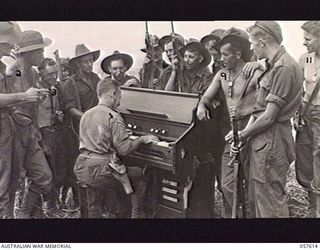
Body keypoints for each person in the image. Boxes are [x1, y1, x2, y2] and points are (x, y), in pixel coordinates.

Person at [225, 21, 303, 218]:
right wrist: (242, 138)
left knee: (270, 205)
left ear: (262, 41)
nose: (250, 48)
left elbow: (269, 117)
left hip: (272, 141)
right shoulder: (272, 65)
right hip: (263, 141)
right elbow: (259, 110)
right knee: (258, 199)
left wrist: (242, 134)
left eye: (252, 42)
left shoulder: (284, 68)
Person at [197, 27, 261, 218]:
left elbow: (262, 107)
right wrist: (202, 106)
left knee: (252, 183)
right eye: (220, 54)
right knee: (227, 183)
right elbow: (206, 97)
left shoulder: (253, 72)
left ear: (238, 54)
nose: (221, 58)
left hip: (252, 131)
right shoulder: (222, 74)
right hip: (231, 133)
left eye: (225, 54)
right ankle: (231, 217)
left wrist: (260, 63)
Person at [74, 77, 159, 218]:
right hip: (100, 171)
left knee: (100, 188)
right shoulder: (113, 116)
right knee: (140, 174)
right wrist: (142, 139)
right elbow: (124, 149)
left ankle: (106, 212)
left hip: (82, 168)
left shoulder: (86, 114)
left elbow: (96, 138)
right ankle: (137, 215)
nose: (120, 101)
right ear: (113, 94)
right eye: (120, 96)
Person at [7, 30, 54, 219]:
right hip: (13, 132)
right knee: (10, 182)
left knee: (44, 177)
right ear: (29, 53)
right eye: (40, 51)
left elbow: (31, 104)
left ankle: (25, 211)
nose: (43, 55)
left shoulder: (33, 73)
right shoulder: (13, 72)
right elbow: (11, 103)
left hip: (29, 131)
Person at [62, 43, 101, 209]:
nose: (89, 64)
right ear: (78, 64)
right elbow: (70, 108)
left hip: (97, 129)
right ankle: (81, 202)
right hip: (78, 130)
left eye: (91, 61)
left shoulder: (96, 79)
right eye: (86, 61)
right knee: (79, 165)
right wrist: (86, 117)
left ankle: (97, 202)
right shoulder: (70, 83)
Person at [294, 21, 320, 218]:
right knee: (303, 160)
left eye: (308, 39)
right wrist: (297, 112)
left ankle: (317, 210)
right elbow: (299, 87)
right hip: (306, 113)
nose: (305, 43)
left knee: (318, 160)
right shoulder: (306, 59)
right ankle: (312, 200)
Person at [36, 58, 66, 217]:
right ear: (41, 74)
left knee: (60, 169)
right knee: (47, 171)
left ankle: (55, 201)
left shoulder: (55, 88)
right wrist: (41, 142)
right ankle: (48, 206)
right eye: (50, 74)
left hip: (56, 132)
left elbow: (55, 109)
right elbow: (33, 118)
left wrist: (59, 115)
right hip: (44, 134)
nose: (54, 76)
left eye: (55, 73)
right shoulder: (36, 90)